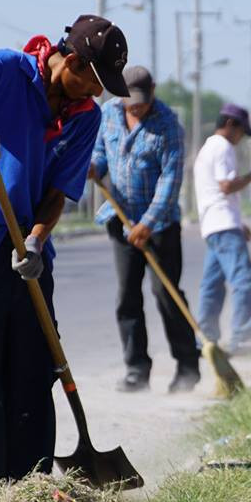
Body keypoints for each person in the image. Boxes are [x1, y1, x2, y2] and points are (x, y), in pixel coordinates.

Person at [0, 15, 130, 502]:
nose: (98, 93)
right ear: (74, 61)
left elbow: (59, 192)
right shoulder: (7, 70)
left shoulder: (85, 116)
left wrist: (38, 243)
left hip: (30, 260)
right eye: (94, 81)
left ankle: (30, 492)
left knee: (32, 371)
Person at [89, 66, 200, 393]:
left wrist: (147, 224)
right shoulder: (108, 114)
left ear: (153, 90)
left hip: (160, 225)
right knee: (127, 297)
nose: (134, 108)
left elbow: (170, 181)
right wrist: (94, 167)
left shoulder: (168, 125)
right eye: (129, 102)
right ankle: (137, 369)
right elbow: (99, 153)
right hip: (120, 218)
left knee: (166, 294)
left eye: (140, 101)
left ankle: (187, 367)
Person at [194, 103, 251, 355]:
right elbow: (226, 187)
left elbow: (216, 192)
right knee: (244, 281)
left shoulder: (206, 148)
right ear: (230, 125)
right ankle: (243, 338)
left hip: (214, 225)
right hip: (223, 224)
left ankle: (205, 340)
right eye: (240, 132)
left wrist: (238, 223)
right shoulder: (222, 147)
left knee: (212, 285)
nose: (240, 139)